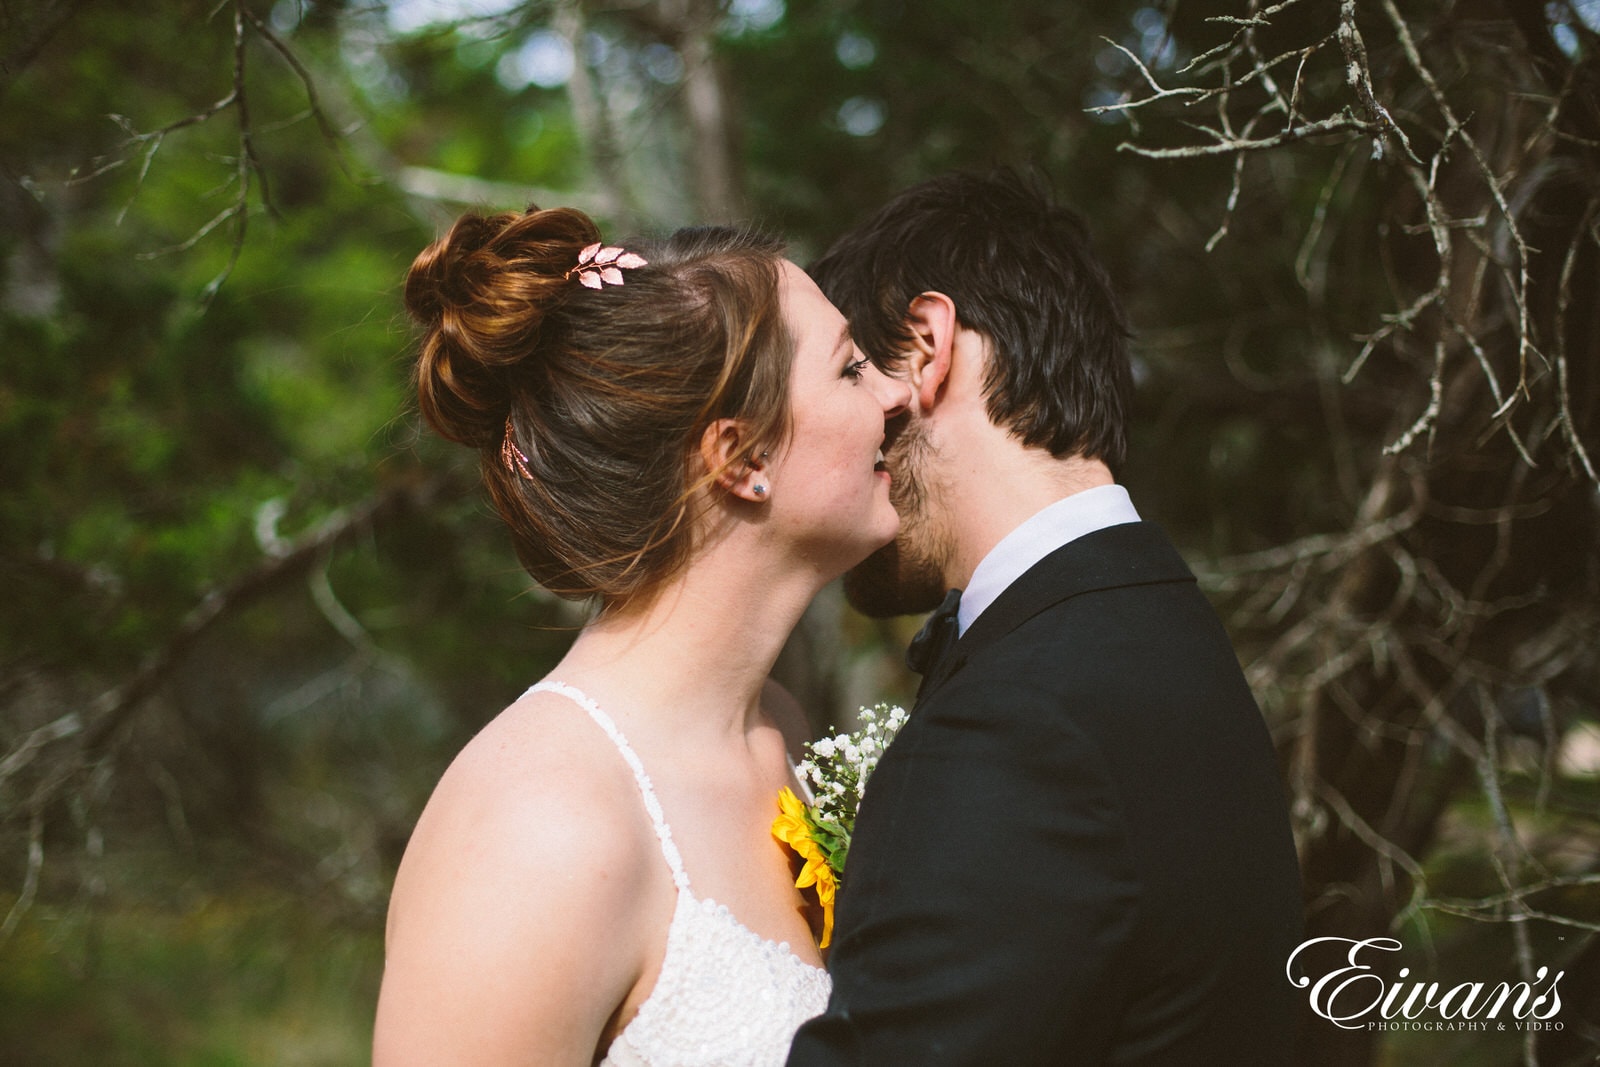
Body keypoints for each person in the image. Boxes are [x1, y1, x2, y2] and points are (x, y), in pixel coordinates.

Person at [786, 169, 1304, 1065]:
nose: (841, 434)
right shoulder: (1162, 627)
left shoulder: (1015, 729)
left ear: (926, 344)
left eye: (850, 374)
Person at [373, 205, 909, 1066]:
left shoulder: (780, 727)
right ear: (741, 459)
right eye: (851, 369)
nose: (896, 390)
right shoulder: (538, 825)